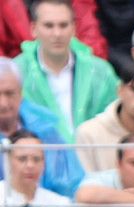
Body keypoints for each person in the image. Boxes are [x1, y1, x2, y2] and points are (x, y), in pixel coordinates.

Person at [15, 0, 119, 137]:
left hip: (90, 154)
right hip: (36, 155)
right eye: (49, 26)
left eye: (63, 25)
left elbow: (115, 122)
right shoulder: (16, 72)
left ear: (74, 28)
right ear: (33, 29)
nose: (57, 33)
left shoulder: (101, 72)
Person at [0, 57, 81, 198]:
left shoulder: (45, 128)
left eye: (10, 93)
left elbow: (70, 185)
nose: (3, 103)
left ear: (21, 94)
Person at [0, 130, 74, 207]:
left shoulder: (60, 204)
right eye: (22, 159)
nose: (30, 165)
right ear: (8, 161)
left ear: (44, 163)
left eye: (36, 159)